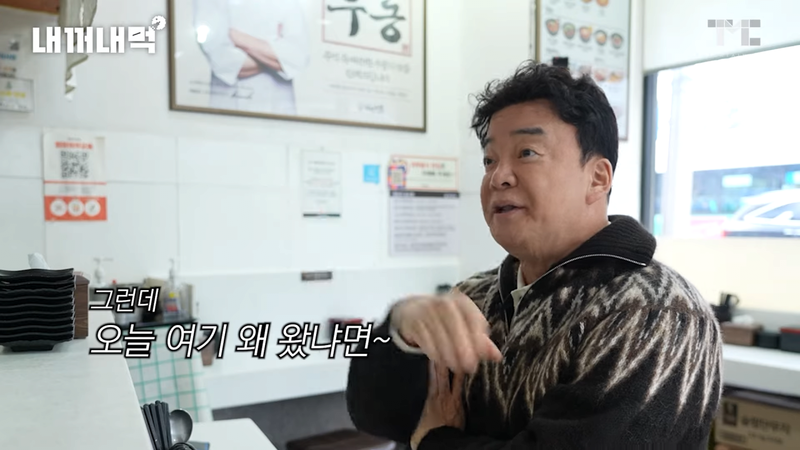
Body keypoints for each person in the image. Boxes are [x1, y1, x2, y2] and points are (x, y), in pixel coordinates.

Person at [346, 61, 723, 449]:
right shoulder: (473, 297)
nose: (498, 176)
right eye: (490, 160)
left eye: (526, 152)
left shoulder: (656, 312)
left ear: (597, 178)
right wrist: (400, 331)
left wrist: (435, 442)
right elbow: (374, 416)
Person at [192, 0, 310, 115]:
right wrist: (276, 54)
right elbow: (224, 62)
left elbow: (298, 56)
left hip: (280, 112)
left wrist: (236, 37)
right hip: (231, 112)